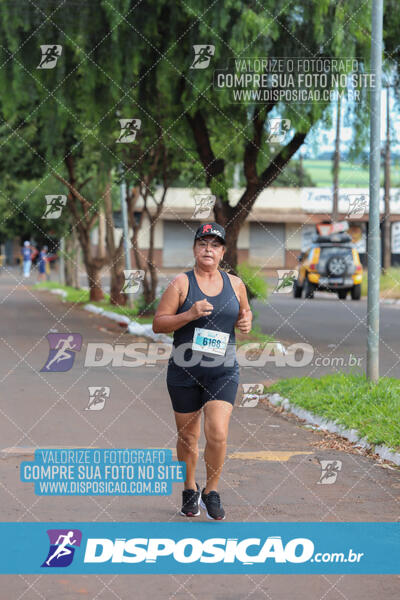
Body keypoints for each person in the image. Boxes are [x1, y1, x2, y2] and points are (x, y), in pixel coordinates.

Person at [153, 222, 252, 520]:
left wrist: (246, 324)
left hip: (222, 370)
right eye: (202, 244)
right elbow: (159, 324)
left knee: (218, 433)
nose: (208, 249)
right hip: (184, 372)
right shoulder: (181, 284)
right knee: (188, 438)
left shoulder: (236, 284)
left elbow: (244, 314)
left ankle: (211, 490)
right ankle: (188, 487)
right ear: (195, 249)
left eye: (214, 245)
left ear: (223, 251)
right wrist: (189, 314)